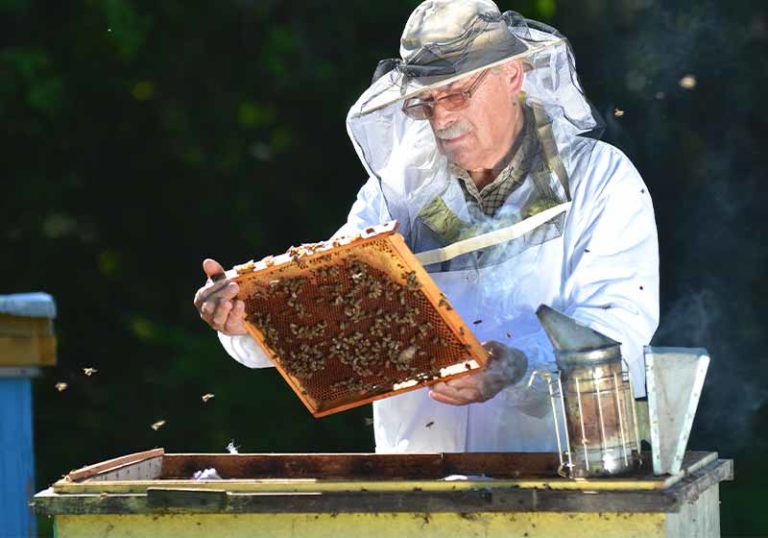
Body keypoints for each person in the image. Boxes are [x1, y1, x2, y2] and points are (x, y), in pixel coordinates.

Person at [194, 0, 659, 453]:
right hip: (417, 485)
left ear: (513, 75)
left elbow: (621, 331)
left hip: (556, 479)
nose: (442, 117)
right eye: (425, 102)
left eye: (457, 93)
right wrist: (245, 318)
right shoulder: (393, 196)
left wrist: (520, 370)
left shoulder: (599, 179)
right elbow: (323, 316)